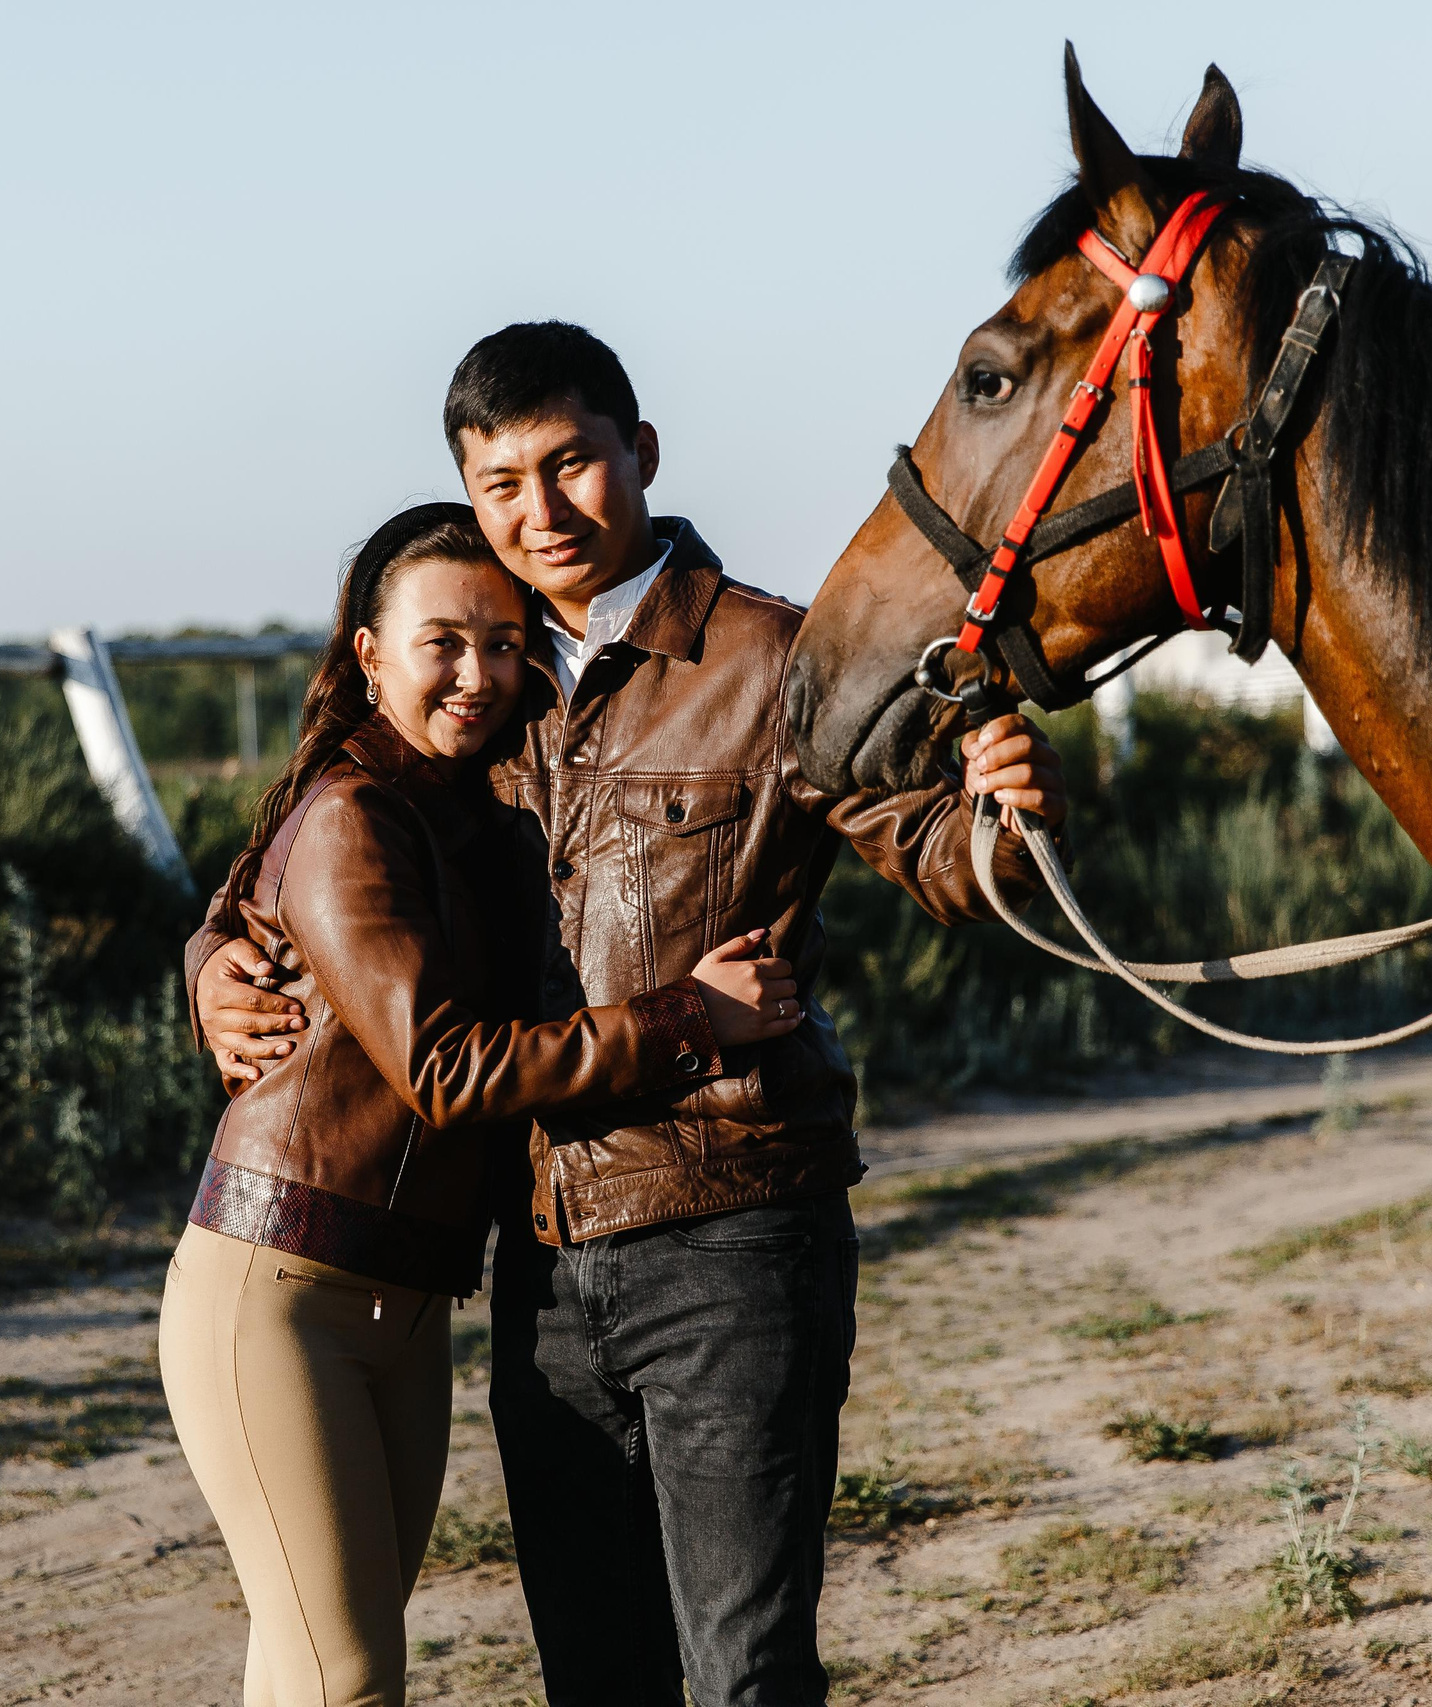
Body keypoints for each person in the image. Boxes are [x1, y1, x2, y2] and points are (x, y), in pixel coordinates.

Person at [192, 326, 1068, 1706]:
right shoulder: (491, 681)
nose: (538, 513)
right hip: (540, 1257)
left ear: (640, 453)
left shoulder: (781, 659)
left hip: (730, 1237)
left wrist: (1007, 812)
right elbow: (325, 828)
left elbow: (946, 858)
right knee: (597, 1674)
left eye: (570, 465)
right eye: (499, 484)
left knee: (740, 1668)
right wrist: (208, 956)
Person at [157, 500, 808, 1707]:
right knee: (339, 1673)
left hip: (398, 1304)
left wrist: (207, 949)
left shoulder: (478, 803)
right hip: (283, 1291)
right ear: (366, 653)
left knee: (322, 1656)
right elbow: (448, 1068)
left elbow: (247, 902)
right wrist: (691, 1021)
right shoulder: (357, 810)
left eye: (504, 643)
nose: (478, 673)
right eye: (441, 644)